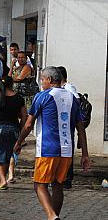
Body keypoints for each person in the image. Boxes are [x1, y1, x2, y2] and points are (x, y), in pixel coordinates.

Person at [14, 67, 90, 220]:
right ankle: (55, 216)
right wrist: (85, 154)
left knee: (39, 184)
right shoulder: (72, 98)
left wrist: (19, 142)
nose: (41, 82)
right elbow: (80, 127)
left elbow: (28, 125)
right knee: (58, 185)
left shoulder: (42, 96)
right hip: (67, 150)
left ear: (49, 80)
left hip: (47, 148)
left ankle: (51, 216)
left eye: (42, 79)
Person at [0, 76, 27, 190]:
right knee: (9, 155)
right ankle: (6, 176)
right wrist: (22, 133)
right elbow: (24, 117)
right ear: (11, 84)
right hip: (13, 129)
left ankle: (3, 179)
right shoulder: (19, 98)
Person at [57, 66, 79, 190]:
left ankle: (67, 178)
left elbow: (75, 101)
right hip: (62, 124)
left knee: (67, 152)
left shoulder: (69, 88)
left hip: (67, 124)